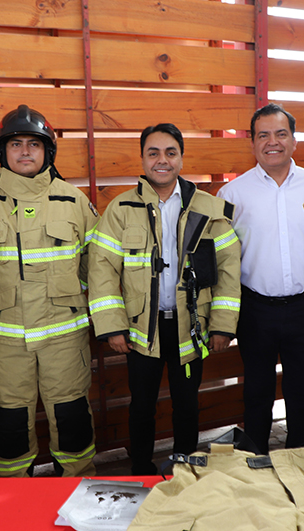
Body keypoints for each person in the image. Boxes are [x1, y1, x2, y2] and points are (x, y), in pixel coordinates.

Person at [89, 123, 241, 475]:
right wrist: (112, 327)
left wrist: (222, 326)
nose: (162, 160)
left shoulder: (211, 208)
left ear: (181, 158)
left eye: (170, 152)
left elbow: (229, 271)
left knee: (187, 403)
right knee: (141, 404)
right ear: (142, 159)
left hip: (192, 328)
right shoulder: (120, 209)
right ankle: (141, 470)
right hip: (142, 329)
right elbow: (102, 270)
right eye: (153, 153)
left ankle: (186, 471)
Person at [0, 105, 98, 477]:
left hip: (65, 339)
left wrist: (70, 297)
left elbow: (95, 266)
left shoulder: (74, 201)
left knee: (72, 420)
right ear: (2, 152)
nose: (25, 152)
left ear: (48, 151)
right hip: (7, 343)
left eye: (34, 144)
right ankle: (12, 500)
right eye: (16, 144)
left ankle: (77, 493)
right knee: (9, 425)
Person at [217, 103, 304, 454]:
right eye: (263, 135)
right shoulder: (233, 194)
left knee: (303, 388)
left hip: (302, 306)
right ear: (252, 143)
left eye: (281, 133)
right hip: (255, 308)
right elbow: (225, 255)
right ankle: (255, 455)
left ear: (294, 141)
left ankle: (302, 453)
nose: (273, 142)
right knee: (257, 388)